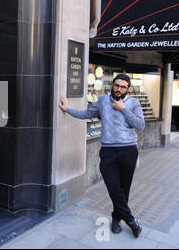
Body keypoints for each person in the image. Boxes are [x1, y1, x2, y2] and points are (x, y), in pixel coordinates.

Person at [59, 74, 145, 238]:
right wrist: (67, 109)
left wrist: (123, 109)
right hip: (109, 152)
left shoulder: (134, 103)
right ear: (112, 85)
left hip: (128, 150)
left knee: (123, 190)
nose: (118, 89)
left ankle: (116, 219)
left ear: (128, 89)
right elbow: (86, 114)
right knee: (113, 187)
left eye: (123, 87)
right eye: (116, 85)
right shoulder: (102, 101)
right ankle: (131, 221)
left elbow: (140, 125)